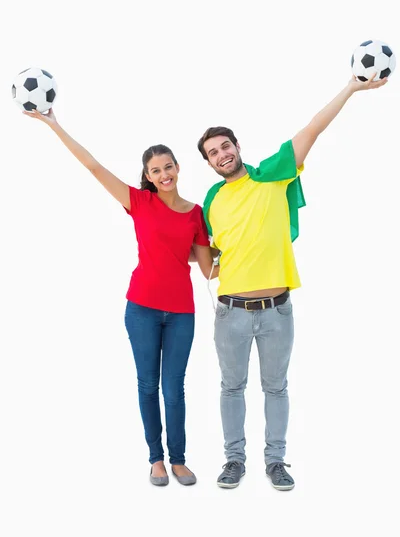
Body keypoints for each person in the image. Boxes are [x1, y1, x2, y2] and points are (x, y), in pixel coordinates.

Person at [197, 74, 387, 490]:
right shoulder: (212, 201)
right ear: (209, 163)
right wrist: (198, 259)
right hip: (230, 312)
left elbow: (314, 128)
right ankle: (234, 461)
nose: (222, 154)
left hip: (277, 310)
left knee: (276, 388)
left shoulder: (273, 173)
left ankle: (276, 461)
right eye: (213, 153)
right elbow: (210, 263)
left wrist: (352, 88)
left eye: (226, 146)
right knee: (232, 388)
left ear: (237, 147)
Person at [24, 108, 218, 487]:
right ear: (147, 177)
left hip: (181, 313)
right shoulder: (138, 203)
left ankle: (179, 460)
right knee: (148, 385)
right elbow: (94, 167)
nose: (163, 175)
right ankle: (156, 460)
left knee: (174, 388)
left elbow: (209, 269)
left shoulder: (196, 214)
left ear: (178, 167)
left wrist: (249, 250)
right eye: (155, 171)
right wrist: (54, 124)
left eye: (168, 167)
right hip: (142, 308)